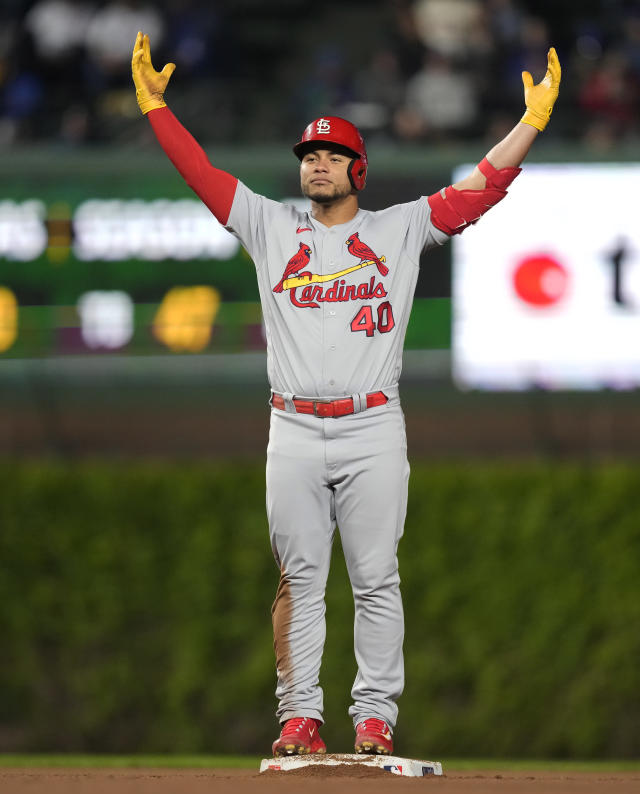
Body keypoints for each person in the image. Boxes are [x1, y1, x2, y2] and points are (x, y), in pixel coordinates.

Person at [131, 31, 560, 757]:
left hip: (371, 426)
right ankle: (299, 718)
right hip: (292, 427)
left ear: (358, 168)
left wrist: (530, 124)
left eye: (330, 154)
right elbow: (200, 172)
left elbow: (481, 189)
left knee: (374, 578)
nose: (317, 163)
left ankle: (373, 720)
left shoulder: (399, 227)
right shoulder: (268, 225)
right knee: (299, 579)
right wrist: (155, 110)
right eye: (308, 155)